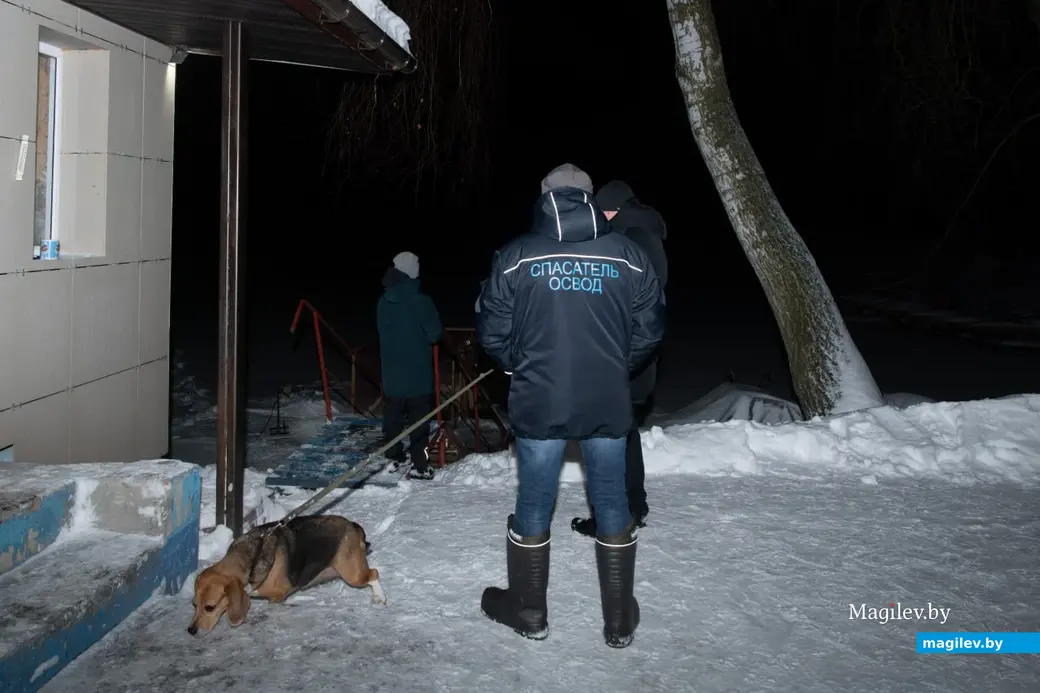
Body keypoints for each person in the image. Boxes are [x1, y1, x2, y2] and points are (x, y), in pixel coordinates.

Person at [476, 163, 666, 648]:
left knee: (534, 500)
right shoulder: (628, 254)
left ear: (545, 198)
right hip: (606, 399)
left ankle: (529, 611)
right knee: (612, 499)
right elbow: (650, 330)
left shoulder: (516, 256)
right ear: (589, 199)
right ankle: (619, 622)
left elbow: (492, 331)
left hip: (540, 399)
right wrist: (615, 368)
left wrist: (520, 367)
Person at [571, 180, 668, 538]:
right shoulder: (643, 235)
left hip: (621, 355)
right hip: (635, 356)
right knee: (623, 434)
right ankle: (633, 507)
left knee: (604, 436)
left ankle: (611, 516)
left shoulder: (633, 240)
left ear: (614, 209)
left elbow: (628, 300)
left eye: (602, 211)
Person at [376, 251, 443, 481]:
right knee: (420, 421)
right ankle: (420, 465)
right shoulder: (421, 302)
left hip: (391, 373)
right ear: (412, 271)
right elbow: (434, 334)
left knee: (392, 418)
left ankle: (394, 456)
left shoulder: (383, 302)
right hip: (418, 374)